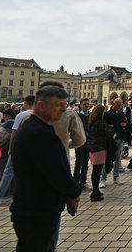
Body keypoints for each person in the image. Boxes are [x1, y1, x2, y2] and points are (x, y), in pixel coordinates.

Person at [10, 85, 81, 251]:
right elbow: (58, 174)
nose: (64, 110)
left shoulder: (31, 127)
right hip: (38, 212)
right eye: (59, 105)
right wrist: (74, 192)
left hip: (30, 208)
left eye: (65, 104)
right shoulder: (41, 134)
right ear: (41, 105)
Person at [0, 95, 35, 206]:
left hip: (19, 146)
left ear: (26, 103)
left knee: (8, 171)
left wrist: (11, 148)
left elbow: (14, 133)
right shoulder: (40, 114)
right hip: (34, 148)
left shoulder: (21, 115)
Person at [88, 105, 114, 202]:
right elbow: (109, 134)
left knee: (96, 170)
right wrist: (111, 128)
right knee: (97, 171)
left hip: (92, 147)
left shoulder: (91, 122)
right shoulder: (100, 123)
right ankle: (94, 193)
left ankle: (96, 191)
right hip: (100, 148)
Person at [100, 98, 126, 187]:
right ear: (113, 104)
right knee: (107, 158)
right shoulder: (107, 115)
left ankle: (116, 176)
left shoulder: (122, 113)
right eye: (118, 105)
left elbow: (125, 124)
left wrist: (125, 125)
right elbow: (104, 126)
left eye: (121, 105)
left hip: (119, 138)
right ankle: (103, 178)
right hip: (109, 140)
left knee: (118, 159)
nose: (120, 107)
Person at [74, 98, 91, 191]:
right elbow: (75, 128)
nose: (86, 106)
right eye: (84, 104)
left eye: (88, 104)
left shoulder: (91, 115)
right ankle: (75, 182)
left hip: (88, 142)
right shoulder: (77, 116)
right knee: (78, 162)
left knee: (85, 162)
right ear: (80, 105)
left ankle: (83, 181)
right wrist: (83, 131)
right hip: (79, 142)